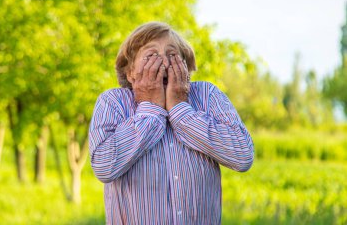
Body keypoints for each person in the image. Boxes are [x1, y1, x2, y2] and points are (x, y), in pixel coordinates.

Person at [89, 21, 254, 225]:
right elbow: (104, 167)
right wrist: (150, 110)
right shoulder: (112, 102)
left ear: (185, 66)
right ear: (130, 72)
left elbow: (242, 156)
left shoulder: (207, 95)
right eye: (151, 56)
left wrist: (180, 109)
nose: (164, 63)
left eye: (173, 55)